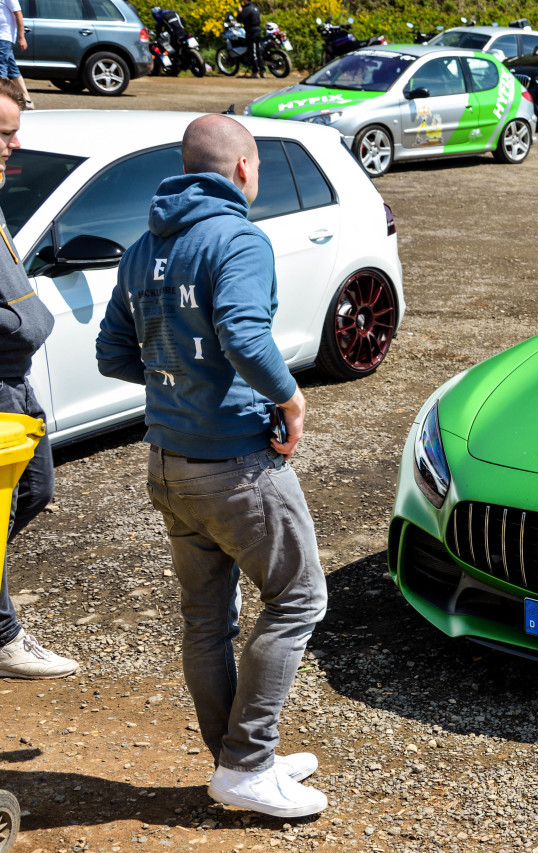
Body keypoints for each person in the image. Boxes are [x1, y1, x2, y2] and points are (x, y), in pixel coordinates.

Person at [95, 114, 327, 818]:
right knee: (299, 597)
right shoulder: (238, 238)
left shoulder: (142, 248)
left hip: (168, 462)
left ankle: (236, 758)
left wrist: (177, 381)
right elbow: (242, 331)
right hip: (235, 466)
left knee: (207, 621)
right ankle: (248, 763)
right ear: (244, 170)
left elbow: (112, 353)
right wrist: (289, 396)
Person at [0, 80, 75, 680]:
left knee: (35, 492)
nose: (14, 145)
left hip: (16, 383)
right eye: (2, 134)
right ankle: (3, 636)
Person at [0, 0, 31, 109]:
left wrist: (21, 37)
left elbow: (18, 14)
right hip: (3, 38)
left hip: (4, 37)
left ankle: (2, 100)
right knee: (12, 69)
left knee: (1, 68)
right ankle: (27, 100)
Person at [237, 0, 263, 78]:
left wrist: (240, 12)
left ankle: (255, 72)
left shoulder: (247, 8)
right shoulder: (255, 7)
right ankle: (262, 70)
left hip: (251, 32)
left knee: (253, 52)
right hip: (258, 30)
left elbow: (240, 19)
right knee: (258, 52)